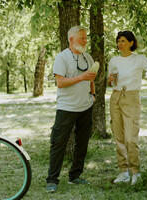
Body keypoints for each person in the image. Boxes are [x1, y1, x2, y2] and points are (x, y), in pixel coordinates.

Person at [108, 30, 147, 185]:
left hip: (131, 98)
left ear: (131, 42)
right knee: (119, 137)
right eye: (118, 41)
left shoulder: (139, 59)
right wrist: (109, 80)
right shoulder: (114, 60)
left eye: (123, 41)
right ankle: (123, 172)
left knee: (130, 137)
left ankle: (135, 172)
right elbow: (111, 82)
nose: (119, 44)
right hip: (115, 97)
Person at [45, 26, 97, 193]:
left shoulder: (87, 57)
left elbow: (91, 79)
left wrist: (93, 95)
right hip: (66, 108)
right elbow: (60, 82)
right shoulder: (62, 57)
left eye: (85, 38)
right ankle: (52, 180)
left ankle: (75, 175)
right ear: (71, 39)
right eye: (82, 38)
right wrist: (81, 77)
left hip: (85, 106)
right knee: (58, 143)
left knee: (82, 143)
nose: (85, 41)